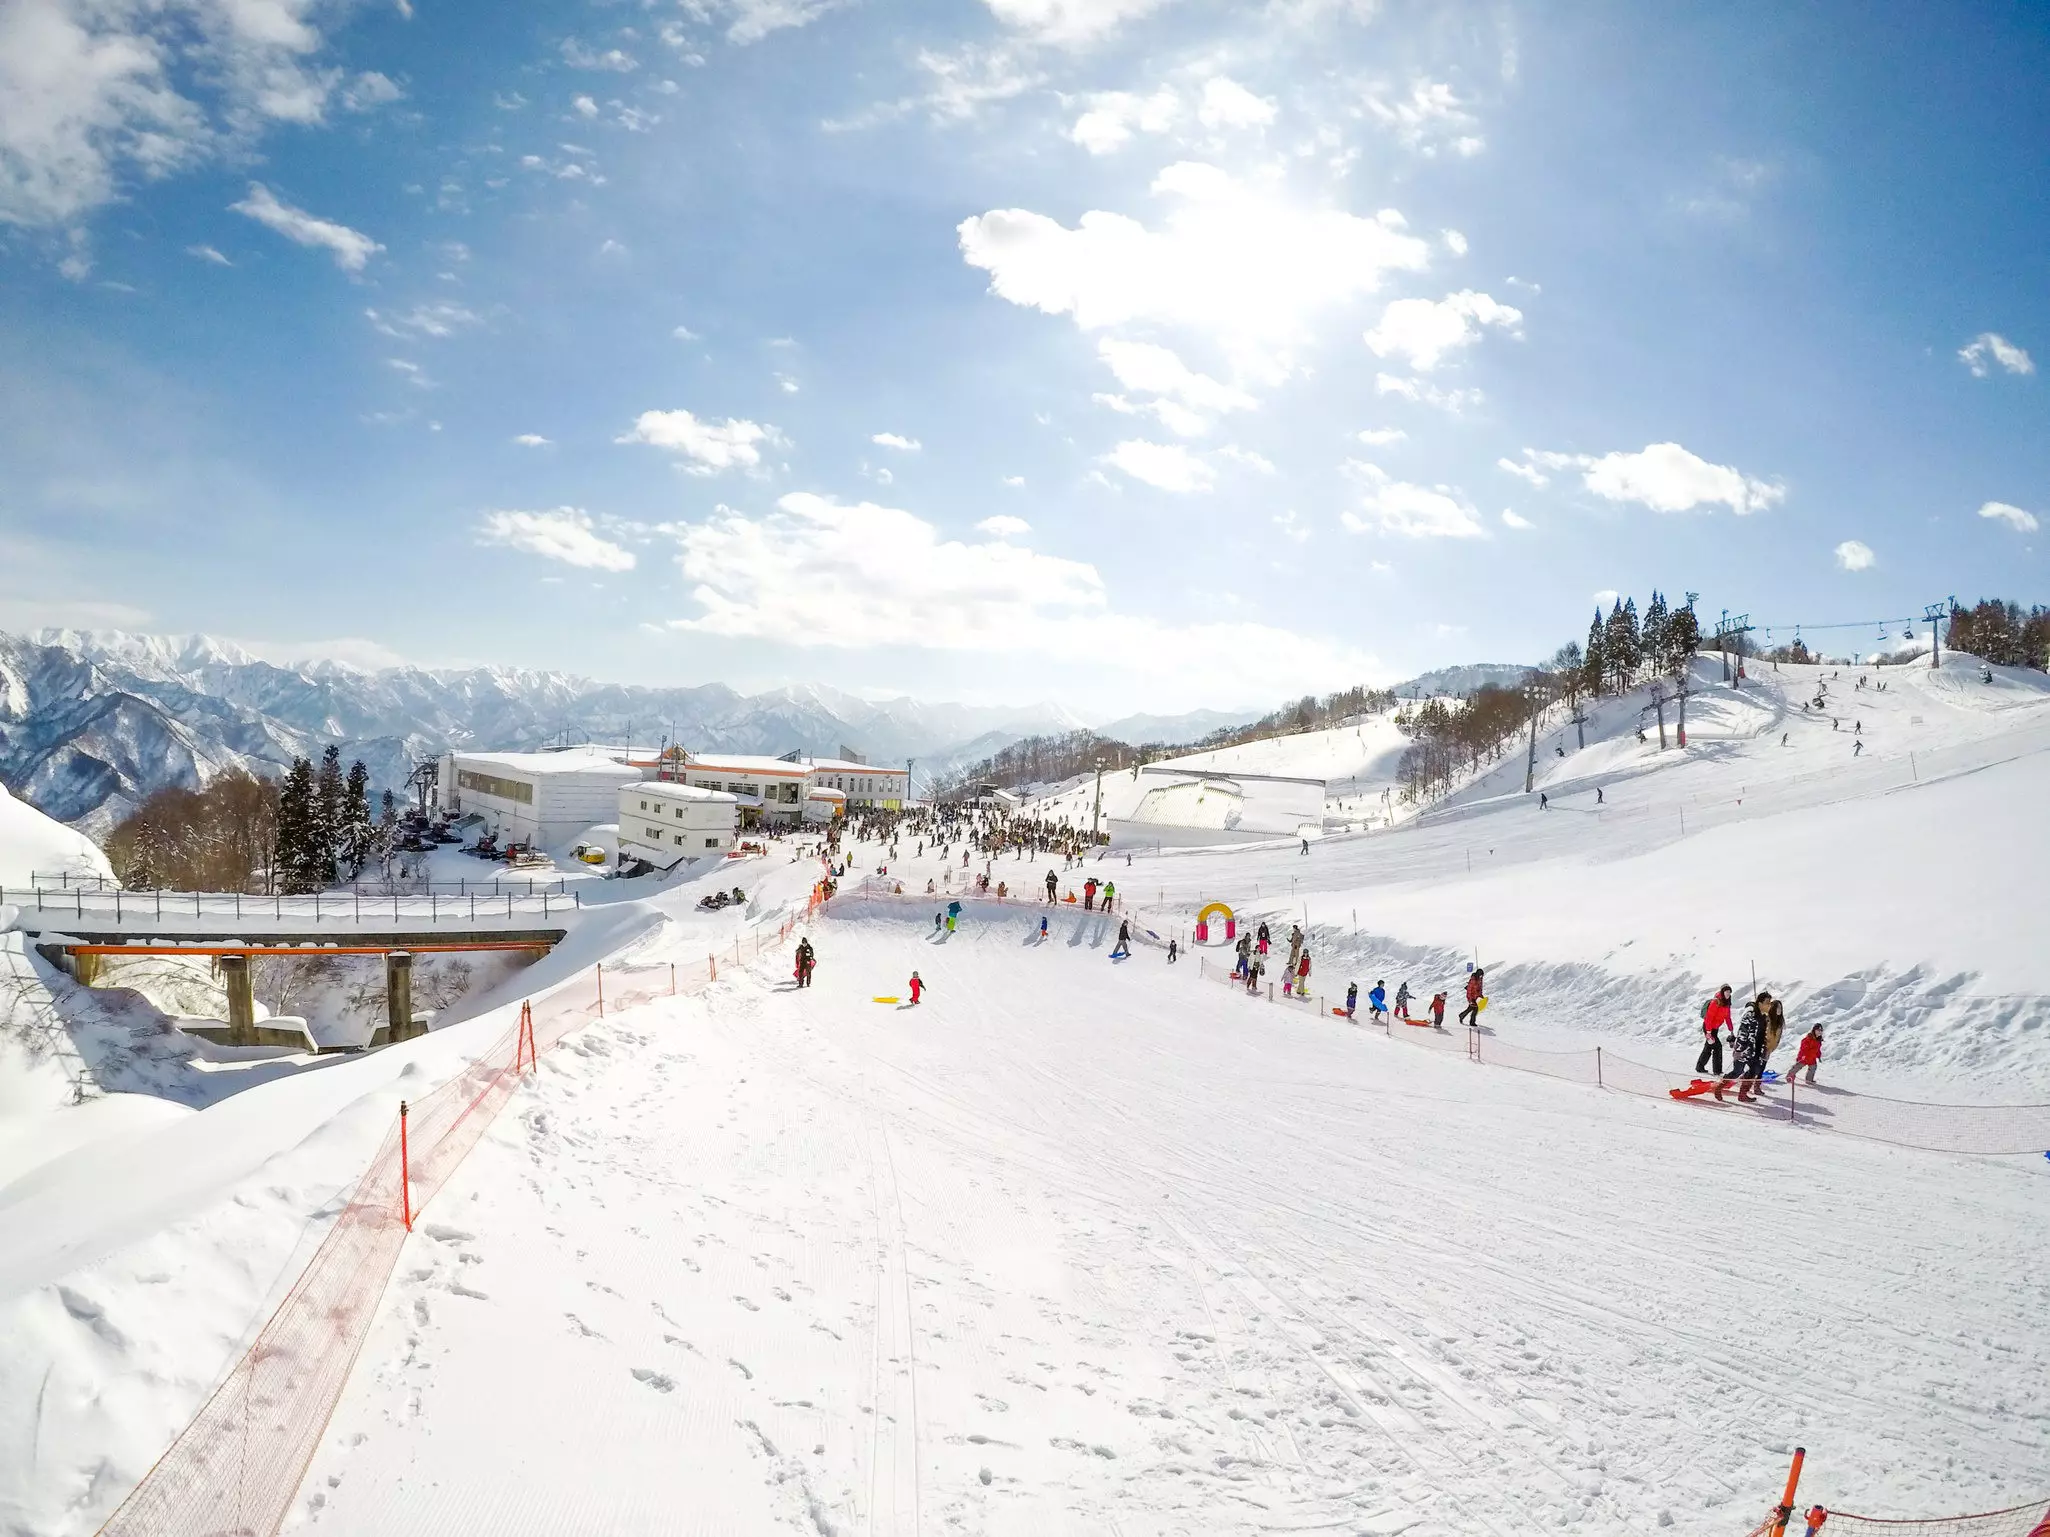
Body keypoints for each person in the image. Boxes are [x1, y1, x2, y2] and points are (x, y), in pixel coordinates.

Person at [1730, 993, 1771, 1101]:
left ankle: (1742, 1095)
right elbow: (1742, 1034)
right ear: (1760, 1003)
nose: (1769, 1005)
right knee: (1737, 1071)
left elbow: (1764, 1035)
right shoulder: (1750, 1016)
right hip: (1744, 1051)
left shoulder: (1765, 1018)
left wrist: (1764, 1048)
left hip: (1756, 1051)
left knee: (1754, 1071)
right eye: (1767, 1003)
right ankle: (1719, 1087)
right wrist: (1739, 1050)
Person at [1697, 985, 1733, 1075]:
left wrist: (1731, 1029)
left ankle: (1700, 1066)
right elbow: (1709, 1018)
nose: (1728, 994)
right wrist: (1708, 1032)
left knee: (1709, 1047)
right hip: (1708, 1027)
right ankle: (1717, 1070)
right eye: (1726, 992)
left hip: (1715, 1028)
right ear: (1722, 992)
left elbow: (1727, 1017)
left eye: (1729, 992)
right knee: (1717, 1047)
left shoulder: (1727, 1003)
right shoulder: (1716, 1002)